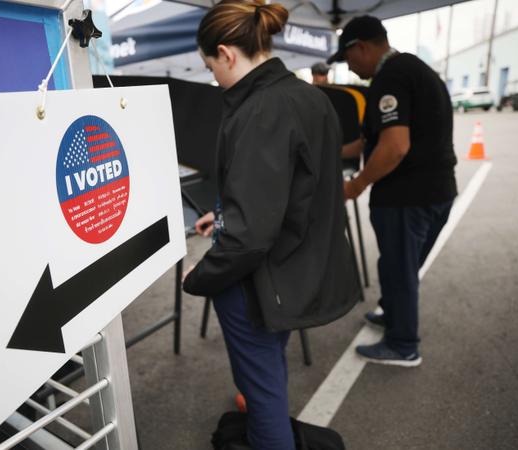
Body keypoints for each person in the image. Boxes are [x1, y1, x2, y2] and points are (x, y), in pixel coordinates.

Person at [182, 1, 360, 448]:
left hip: (258, 282)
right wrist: (223, 213)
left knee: (262, 402)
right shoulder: (309, 97)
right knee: (267, 374)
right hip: (295, 272)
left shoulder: (258, 110)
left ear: (225, 53)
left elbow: (248, 238)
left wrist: (201, 276)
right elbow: (295, 191)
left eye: (210, 67)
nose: (214, 79)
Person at [328, 15, 458, 367]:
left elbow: (395, 146)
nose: (351, 69)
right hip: (437, 191)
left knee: (399, 269)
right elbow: (368, 142)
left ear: (362, 47)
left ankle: (402, 345)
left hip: (408, 198)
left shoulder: (391, 77)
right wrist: (326, 149)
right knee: (400, 267)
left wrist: (355, 185)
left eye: (349, 59)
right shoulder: (413, 70)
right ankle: (395, 317)